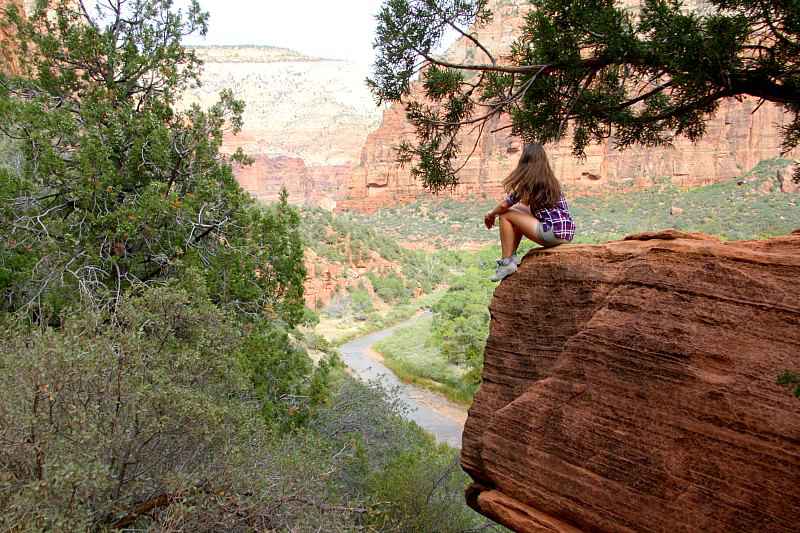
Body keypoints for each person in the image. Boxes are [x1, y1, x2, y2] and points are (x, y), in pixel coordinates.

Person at [484, 143, 575, 281]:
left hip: (551, 233)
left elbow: (504, 206)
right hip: (565, 233)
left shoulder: (531, 182)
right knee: (516, 210)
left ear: (525, 161)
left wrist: (491, 215)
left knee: (505, 215)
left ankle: (506, 263)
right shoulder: (549, 180)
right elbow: (518, 206)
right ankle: (512, 256)